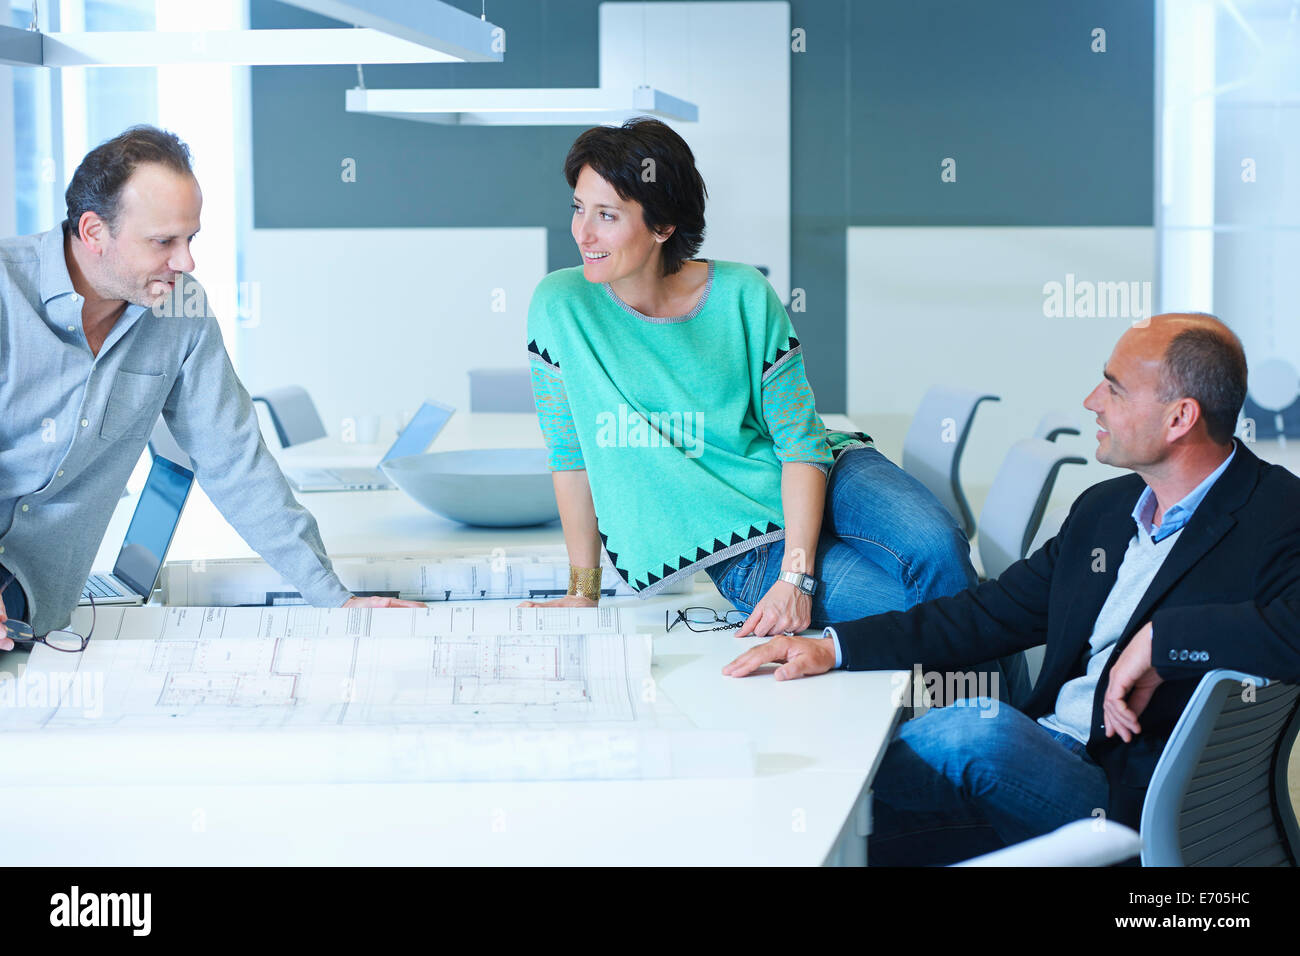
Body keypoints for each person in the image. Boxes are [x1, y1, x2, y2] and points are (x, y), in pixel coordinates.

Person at [723, 313, 1300, 865]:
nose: (1090, 401)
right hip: (1039, 766)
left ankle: (805, 794)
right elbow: (988, 613)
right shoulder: (1107, 509)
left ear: (1179, 419)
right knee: (833, 846)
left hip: (1123, 806)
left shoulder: (1278, 516)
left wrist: (1161, 640)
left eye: (1113, 389)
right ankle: (781, 814)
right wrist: (834, 647)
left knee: (978, 729)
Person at [519, 117, 985, 650]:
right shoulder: (560, 306)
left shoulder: (742, 293)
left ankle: (1000, 721)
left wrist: (797, 578)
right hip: (743, 541)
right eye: (579, 207)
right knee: (917, 606)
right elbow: (570, 454)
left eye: (607, 215)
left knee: (941, 548)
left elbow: (799, 441)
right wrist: (584, 590)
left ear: (663, 226)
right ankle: (978, 721)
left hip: (825, 474)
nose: (583, 233)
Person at [0, 125, 421, 649]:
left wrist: (334, 600)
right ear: (92, 231)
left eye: (190, 239)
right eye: (163, 242)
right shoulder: (5, 289)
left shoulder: (181, 309)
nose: (186, 261)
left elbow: (234, 459)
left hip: (28, 603)